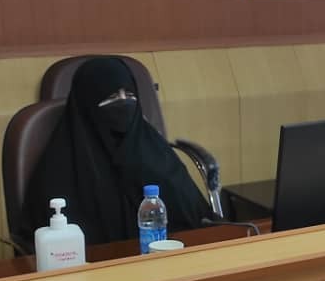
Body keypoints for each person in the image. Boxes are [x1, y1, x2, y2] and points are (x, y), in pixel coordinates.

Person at [22, 56, 211, 251]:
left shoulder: (154, 151)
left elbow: (197, 218)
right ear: (87, 105)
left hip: (169, 256)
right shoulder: (60, 169)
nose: (123, 103)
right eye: (112, 97)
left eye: (129, 95)